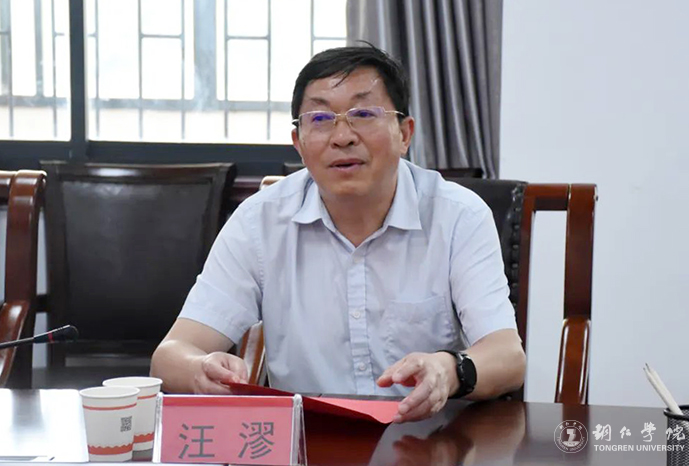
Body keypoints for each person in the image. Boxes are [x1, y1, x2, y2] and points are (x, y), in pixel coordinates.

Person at [151, 45, 525, 423]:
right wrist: (199, 370)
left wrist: (449, 370)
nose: (342, 136)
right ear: (299, 144)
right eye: (320, 118)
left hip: (428, 436)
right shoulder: (258, 223)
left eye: (363, 114)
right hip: (308, 438)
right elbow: (171, 354)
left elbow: (507, 356)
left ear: (404, 134)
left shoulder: (459, 216)